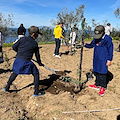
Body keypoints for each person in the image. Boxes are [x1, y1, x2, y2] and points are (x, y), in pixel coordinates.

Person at [3, 26, 45, 97]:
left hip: (18, 60)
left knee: (15, 72)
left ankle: (6, 87)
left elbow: (13, 47)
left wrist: (19, 52)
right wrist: (39, 63)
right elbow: (37, 56)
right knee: (36, 73)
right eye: (37, 34)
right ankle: (36, 92)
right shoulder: (35, 43)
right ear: (34, 34)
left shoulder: (22, 39)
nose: (38, 35)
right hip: (26, 62)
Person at [83, 25, 113, 96]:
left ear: (103, 33)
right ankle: (97, 84)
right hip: (96, 57)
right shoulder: (96, 39)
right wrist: (84, 44)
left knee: (102, 72)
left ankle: (103, 86)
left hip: (104, 58)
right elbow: (91, 45)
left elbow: (110, 50)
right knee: (96, 71)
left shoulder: (108, 39)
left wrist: (109, 60)